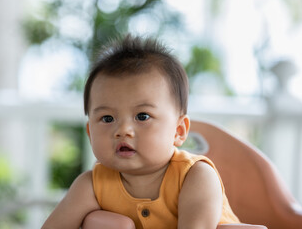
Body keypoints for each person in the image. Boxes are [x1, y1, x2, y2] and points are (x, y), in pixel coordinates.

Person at [41, 34, 240, 229]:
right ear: (90, 133)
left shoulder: (196, 177)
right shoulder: (91, 186)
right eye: (107, 118)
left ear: (178, 131)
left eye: (142, 116)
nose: (123, 130)